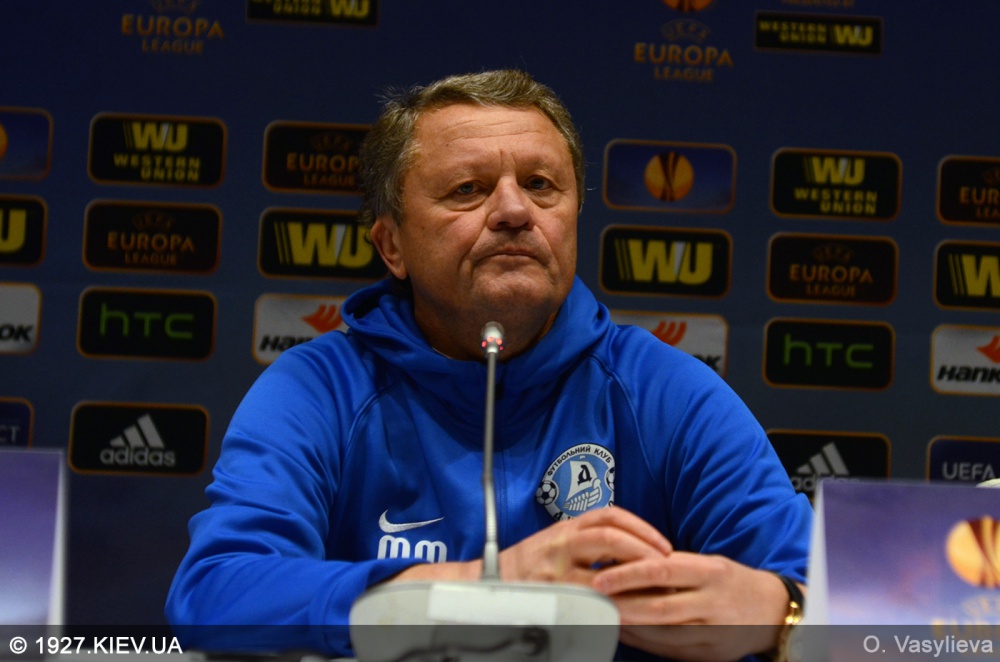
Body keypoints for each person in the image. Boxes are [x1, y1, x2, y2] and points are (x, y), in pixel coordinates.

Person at [165, 69, 812, 661]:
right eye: (468, 190)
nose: (514, 211)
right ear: (392, 245)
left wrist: (782, 614)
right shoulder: (319, 390)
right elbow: (215, 596)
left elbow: (843, 608)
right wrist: (480, 587)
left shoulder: (664, 392)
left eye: (540, 185)